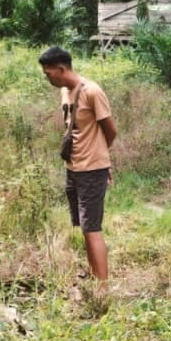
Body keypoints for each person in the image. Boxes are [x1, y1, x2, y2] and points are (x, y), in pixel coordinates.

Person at [39, 46, 118, 293]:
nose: (47, 78)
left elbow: (111, 130)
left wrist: (100, 159)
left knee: (92, 228)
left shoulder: (92, 91)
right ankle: (95, 278)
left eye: (49, 73)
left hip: (91, 169)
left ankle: (102, 289)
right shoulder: (65, 92)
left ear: (61, 69)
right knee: (84, 227)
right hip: (73, 168)